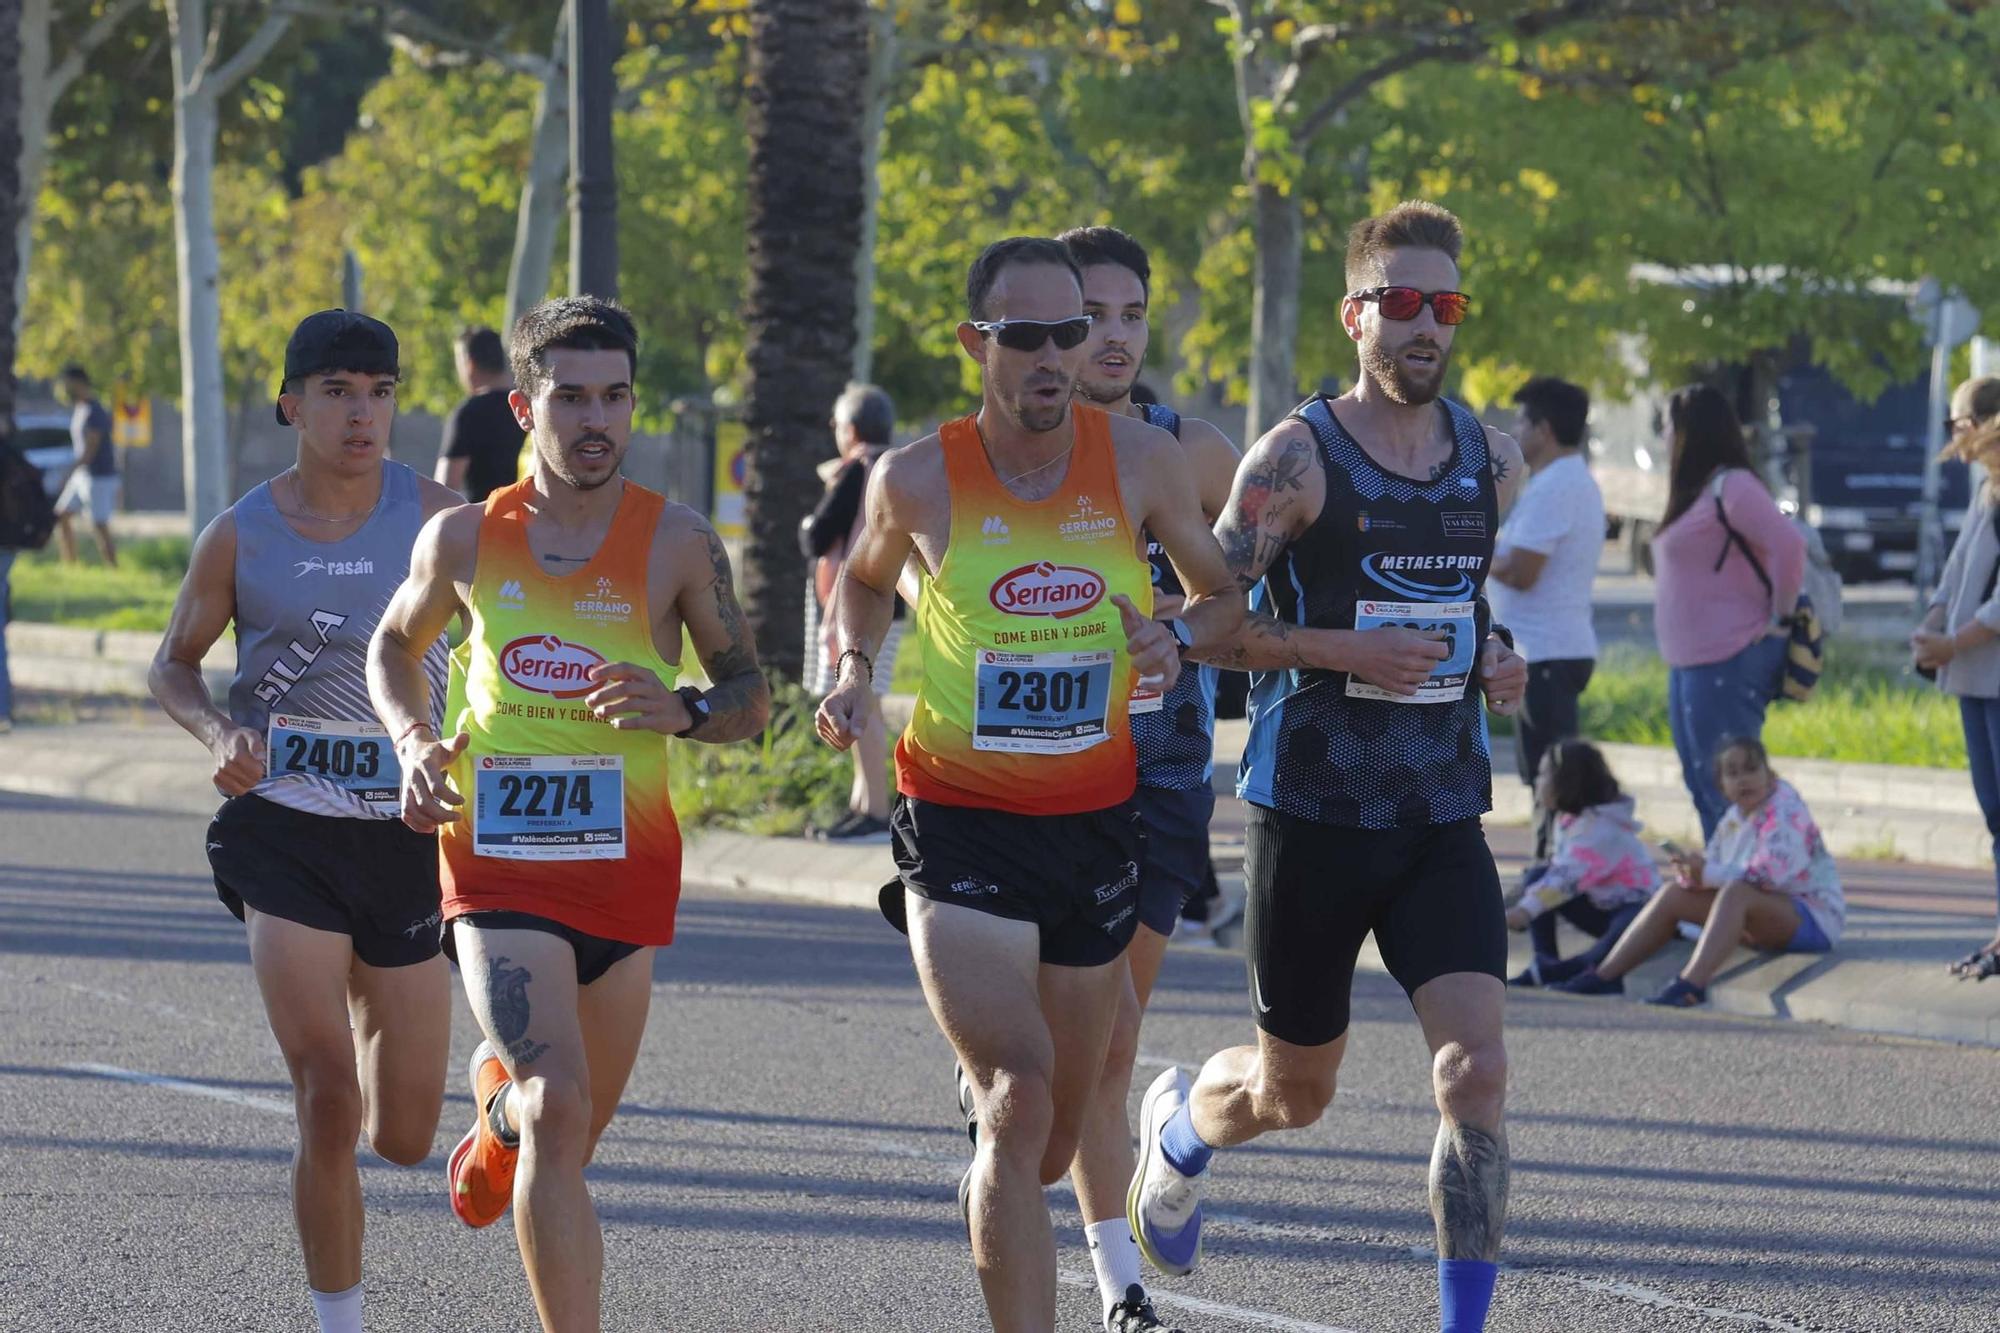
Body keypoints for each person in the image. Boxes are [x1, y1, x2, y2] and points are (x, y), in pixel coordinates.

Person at [814, 236, 1242, 1333]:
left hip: (1095, 819)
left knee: (1053, 1130)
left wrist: (1175, 642)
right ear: (977, 343)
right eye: (1030, 334)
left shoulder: (1139, 462)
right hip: (958, 817)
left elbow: (1218, 592)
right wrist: (856, 671)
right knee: (1017, 1099)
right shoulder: (912, 475)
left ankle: (1000, 1135)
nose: (1061, 351)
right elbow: (861, 586)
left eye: (1075, 330)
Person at [1127, 200, 1529, 1333]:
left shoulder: (1485, 461)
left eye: (1442, 306)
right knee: (1291, 1093)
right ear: (1355, 315)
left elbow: (1462, 605)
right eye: (1400, 302)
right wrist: (1336, 648)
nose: (1424, 327)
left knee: (1474, 1073)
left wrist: (1491, 656)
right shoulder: (1294, 460)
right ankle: (1177, 1130)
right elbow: (1209, 622)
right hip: (1310, 808)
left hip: (1440, 808)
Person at [367, 296, 768, 1333]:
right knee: (561, 1105)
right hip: (497, 861)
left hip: (624, 868)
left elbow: (749, 699)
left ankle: (496, 1114)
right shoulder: (462, 538)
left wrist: (681, 707)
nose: (598, 418)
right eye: (572, 396)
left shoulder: (676, 542)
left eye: (616, 396)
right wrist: (414, 744)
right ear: (521, 405)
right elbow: (393, 650)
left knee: (567, 1130)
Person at [147, 310, 460, 1333]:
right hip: (284, 830)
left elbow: (520, 641)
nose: (361, 412)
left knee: (407, 1133)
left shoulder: (444, 520)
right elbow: (173, 663)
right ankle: (340, 1321)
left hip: (409, 835)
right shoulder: (241, 529)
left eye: (378, 390)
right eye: (336, 391)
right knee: (328, 1092)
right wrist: (213, 735)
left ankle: (495, 1104)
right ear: (292, 403)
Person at [1016, 223, 1239, 1332]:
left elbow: (1245, 598)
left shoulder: (1186, 451)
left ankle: (1117, 1284)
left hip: (1154, 774)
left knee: (1108, 1036)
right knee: (1049, 1047)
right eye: (1087, 316)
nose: (1110, 337)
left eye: (1129, 316)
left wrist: (1178, 637)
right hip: (1017, 777)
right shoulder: (1002, 453)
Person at [1554, 736, 1843, 1006]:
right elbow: (1713, 869)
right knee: (1674, 893)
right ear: (1722, 786)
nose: (1743, 779)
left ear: (1770, 775)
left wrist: (1707, 873)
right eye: (1732, 773)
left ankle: (1691, 984)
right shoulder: (1734, 818)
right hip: (1764, 914)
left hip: (1813, 919)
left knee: (1737, 893)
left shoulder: (1786, 812)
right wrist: (1690, 873)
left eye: (1752, 769)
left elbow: (1768, 876)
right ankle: (1605, 977)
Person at [1647, 384, 1804, 839]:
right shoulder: (1695, 491)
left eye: (1669, 426)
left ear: (1692, 432)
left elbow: (1788, 544)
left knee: (1732, 791)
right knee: (1703, 784)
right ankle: (1725, 891)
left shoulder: (1732, 486)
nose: (1664, 435)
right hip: (1690, 662)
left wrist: (1780, 620)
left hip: (1727, 658)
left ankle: (1749, 893)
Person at [1488, 376, 1602, 860]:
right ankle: (1550, 874)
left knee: (1555, 781)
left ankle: (1553, 876)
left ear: (1545, 429)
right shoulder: (1560, 481)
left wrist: (1465, 546)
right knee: (1545, 777)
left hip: (1550, 653)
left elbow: (1520, 572)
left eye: (1521, 422)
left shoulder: (1558, 485)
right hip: (1547, 649)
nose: (1515, 433)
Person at [1911, 375, 2000, 979]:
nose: (1954, 436)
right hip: (1974, 676)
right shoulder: (1986, 490)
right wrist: (1935, 619)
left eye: (1959, 422)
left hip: (1991, 672)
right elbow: (1958, 566)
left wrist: (1952, 642)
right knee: (1996, 814)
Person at [801, 382, 904, 842]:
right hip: (895, 604)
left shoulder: (856, 469)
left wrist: (807, 521)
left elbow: (817, 536)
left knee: (864, 704)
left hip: (860, 607)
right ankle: (863, 802)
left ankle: (877, 809)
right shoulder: (899, 467)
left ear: (852, 428)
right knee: (870, 702)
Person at [1504, 739, 1657, 987]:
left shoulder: (1601, 829)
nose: (1537, 781)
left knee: (1632, 919)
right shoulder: (1570, 819)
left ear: (1567, 782)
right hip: (1599, 905)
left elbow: (1568, 878)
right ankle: (1545, 960)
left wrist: (1524, 911)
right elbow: (1558, 873)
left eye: (1544, 774)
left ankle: (1577, 970)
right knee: (1538, 875)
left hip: (1632, 910)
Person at [435, 325, 524, 502]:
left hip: (485, 523)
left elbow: (444, 489)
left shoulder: (469, 413)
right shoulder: (529, 407)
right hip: (536, 521)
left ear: (469, 364)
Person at [54, 363, 118, 566]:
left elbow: (90, 450)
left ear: (78, 382)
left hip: (98, 476)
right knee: (62, 514)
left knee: (99, 525)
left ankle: (113, 568)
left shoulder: (95, 411)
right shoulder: (80, 409)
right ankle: (71, 565)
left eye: (67, 383)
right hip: (82, 475)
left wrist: (69, 472)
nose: (64, 388)